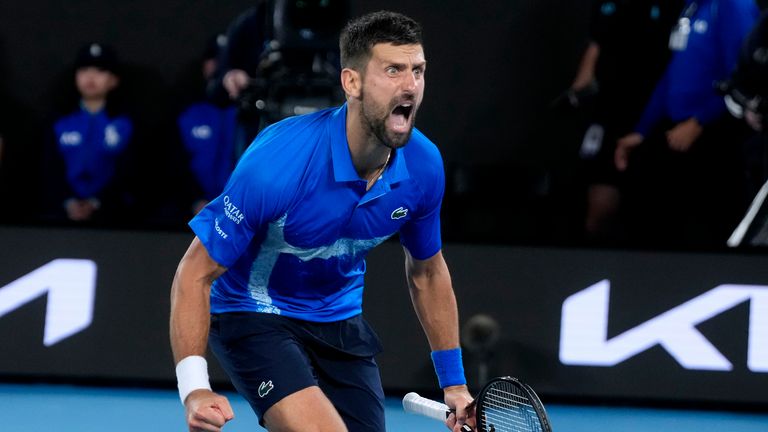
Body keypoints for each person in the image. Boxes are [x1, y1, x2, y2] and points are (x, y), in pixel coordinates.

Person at [170, 10, 474, 432]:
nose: (410, 86)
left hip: (338, 319)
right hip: (253, 312)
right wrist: (195, 388)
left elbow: (427, 272)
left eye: (418, 71)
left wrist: (455, 384)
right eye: (393, 70)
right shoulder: (278, 163)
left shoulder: (423, 167)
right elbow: (195, 272)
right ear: (352, 82)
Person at [614, 0, 760, 249]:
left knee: (704, 232)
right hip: (677, 132)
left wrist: (700, 121)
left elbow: (743, 76)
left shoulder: (733, 5)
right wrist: (642, 130)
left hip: (715, 137)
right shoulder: (691, 6)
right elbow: (674, 72)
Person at [567, 0, 683, 244]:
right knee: (598, 211)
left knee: (650, 215)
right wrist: (579, 90)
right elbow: (595, 46)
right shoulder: (606, 4)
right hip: (608, 114)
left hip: (658, 115)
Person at [209, 0, 349, 158]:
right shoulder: (253, 23)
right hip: (262, 133)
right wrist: (230, 77)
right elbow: (215, 90)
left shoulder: (338, 17)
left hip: (324, 139)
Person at [42, 42, 136, 225]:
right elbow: (48, 169)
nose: (91, 77)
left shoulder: (127, 123)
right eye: (84, 70)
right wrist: (68, 202)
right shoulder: (58, 121)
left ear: (114, 80)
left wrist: (97, 202)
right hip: (58, 219)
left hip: (113, 220)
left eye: (100, 70)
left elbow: (130, 172)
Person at [176, 34, 238, 216]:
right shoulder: (187, 112)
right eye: (213, 58)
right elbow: (176, 163)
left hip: (242, 214)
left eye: (227, 58)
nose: (218, 65)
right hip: (192, 213)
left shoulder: (255, 115)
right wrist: (194, 200)